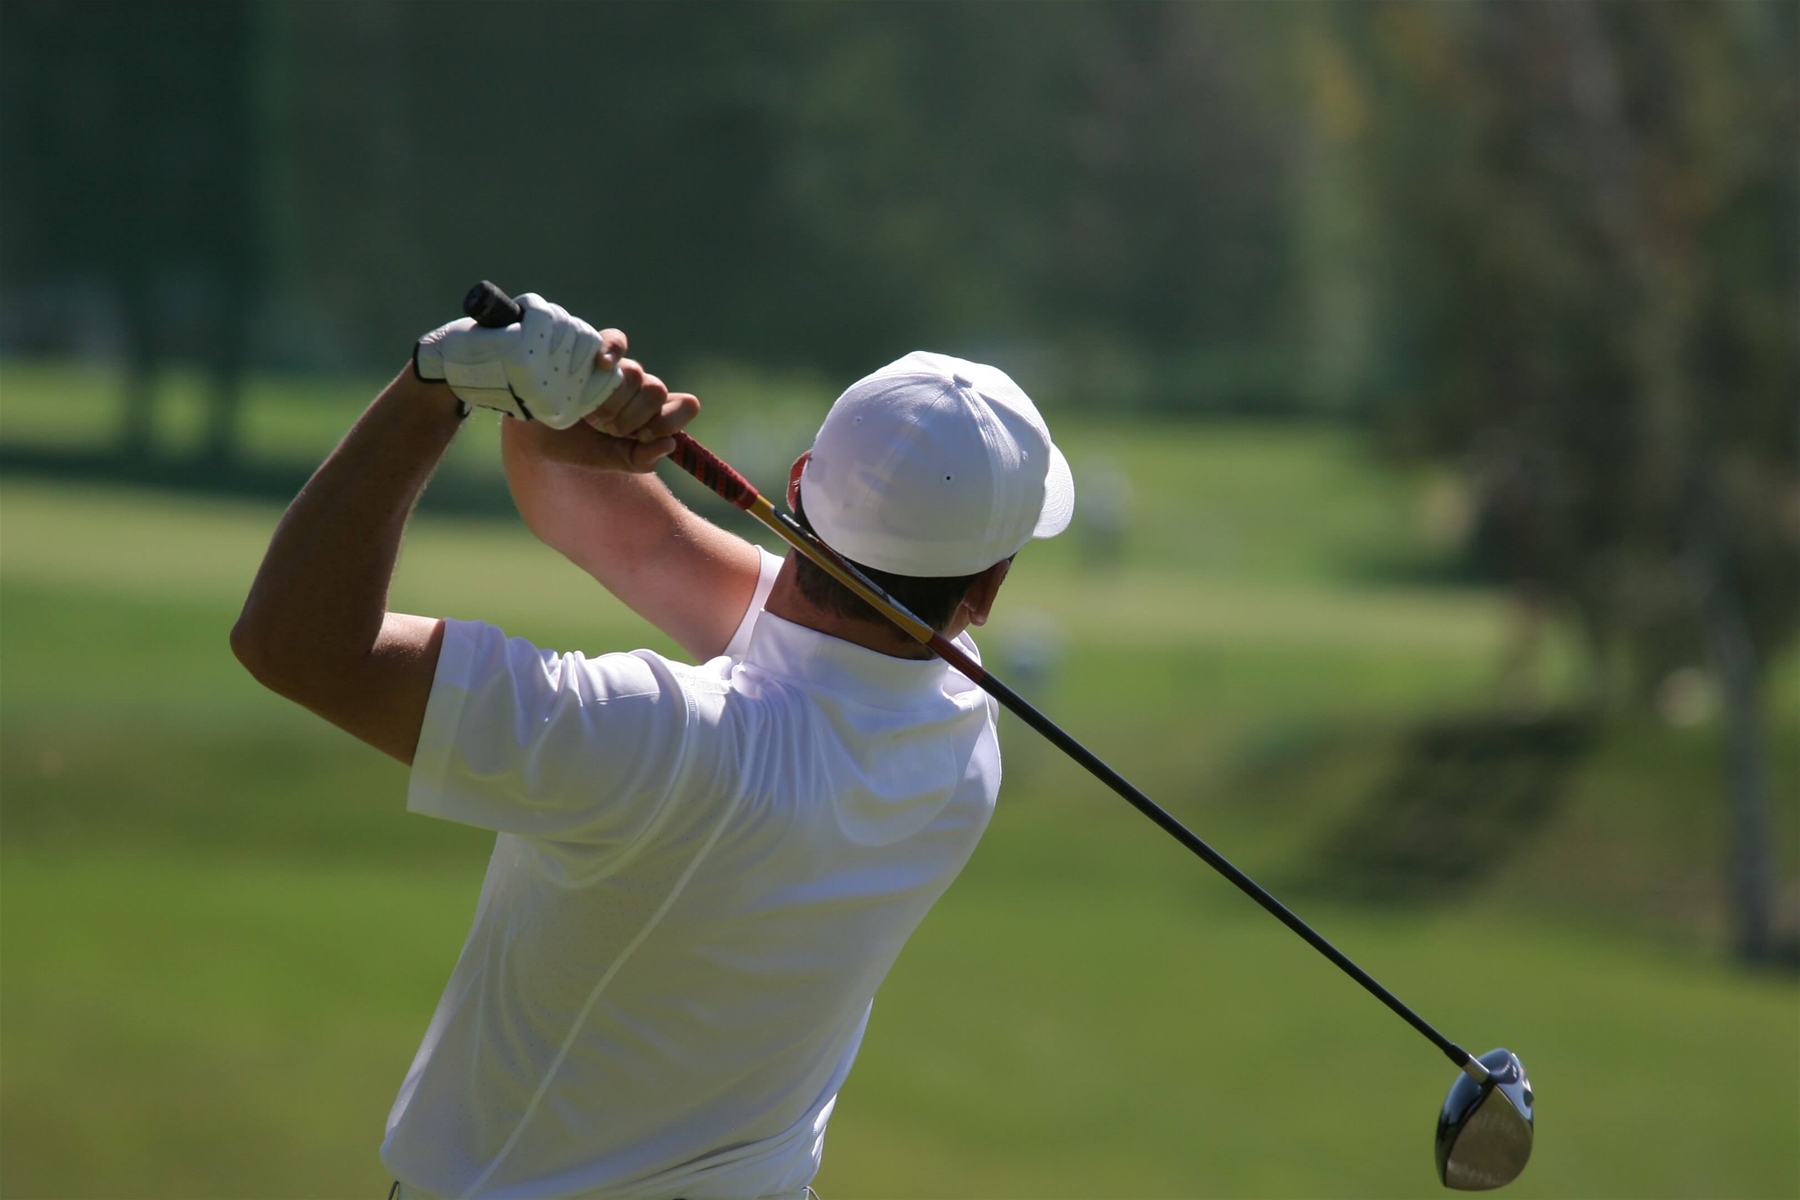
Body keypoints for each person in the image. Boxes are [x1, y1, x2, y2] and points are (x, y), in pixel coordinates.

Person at [231, 294, 1073, 1199]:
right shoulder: (960, 723)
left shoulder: (665, 743)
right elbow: (614, 531)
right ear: (982, 593)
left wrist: (436, 388)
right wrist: (552, 422)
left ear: (797, 484)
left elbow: (293, 642)